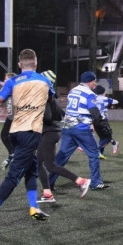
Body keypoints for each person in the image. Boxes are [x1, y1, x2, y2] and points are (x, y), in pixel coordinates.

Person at [0, 49, 56, 226]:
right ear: (36, 63)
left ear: (19, 65)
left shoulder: (12, 81)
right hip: (31, 132)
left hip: (15, 132)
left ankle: (33, 207)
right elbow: (50, 102)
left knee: (32, 167)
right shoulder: (45, 81)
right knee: (14, 175)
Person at [36, 70, 92, 204]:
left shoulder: (44, 95)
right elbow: (62, 114)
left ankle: (81, 181)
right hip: (52, 132)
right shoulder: (52, 95)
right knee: (39, 163)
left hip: (48, 133)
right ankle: (47, 193)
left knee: (50, 165)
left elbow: (48, 117)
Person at [54, 71, 108, 190]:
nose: (95, 84)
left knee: (62, 157)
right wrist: (100, 122)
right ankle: (96, 182)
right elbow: (94, 112)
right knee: (94, 154)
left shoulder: (73, 90)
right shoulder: (89, 94)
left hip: (67, 127)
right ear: (90, 81)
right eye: (94, 81)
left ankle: (49, 182)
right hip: (81, 128)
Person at [93, 85, 119, 158]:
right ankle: (99, 151)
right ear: (104, 92)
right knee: (107, 137)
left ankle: (101, 153)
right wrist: (108, 100)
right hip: (103, 121)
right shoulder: (105, 99)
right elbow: (116, 102)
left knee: (102, 137)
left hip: (95, 120)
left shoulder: (93, 99)